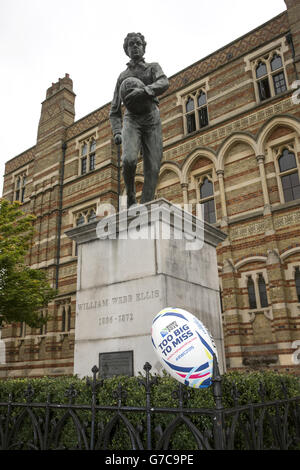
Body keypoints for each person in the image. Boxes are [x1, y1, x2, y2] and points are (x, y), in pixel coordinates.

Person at [109, 32, 169, 208]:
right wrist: (117, 131)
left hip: (151, 117)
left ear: (143, 47)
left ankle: (145, 207)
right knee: (128, 160)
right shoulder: (122, 77)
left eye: (137, 43)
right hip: (132, 119)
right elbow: (114, 110)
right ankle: (131, 197)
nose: (134, 46)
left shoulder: (152, 67)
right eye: (131, 45)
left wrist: (144, 91)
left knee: (153, 167)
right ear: (127, 50)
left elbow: (164, 82)